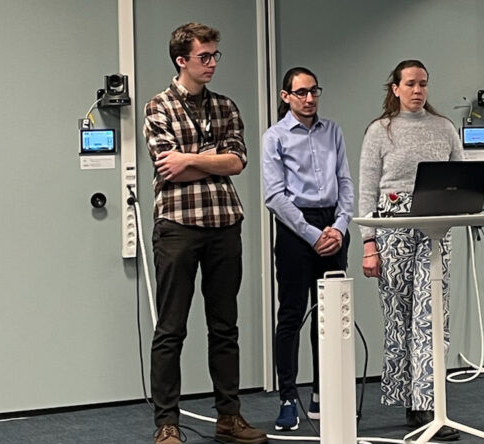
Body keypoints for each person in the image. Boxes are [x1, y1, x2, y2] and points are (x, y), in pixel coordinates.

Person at [143, 22, 267, 444]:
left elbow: (237, 161)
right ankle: (167, 424)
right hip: (177, 226)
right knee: (171, 329)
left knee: (224, 326)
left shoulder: (226, 106)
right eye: (204, 57)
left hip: (224, 224)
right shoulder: (157, 107)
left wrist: (191, 158)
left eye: (215, 56)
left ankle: (229, 419)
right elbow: (167, 167)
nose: (212, 63)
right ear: (182, 60)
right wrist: (210, 156)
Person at [359, 60, 464, 441]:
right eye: (410, 84)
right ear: (396, 89)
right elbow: (367, 189)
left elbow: (461, 176)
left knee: (431, 313)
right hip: (393, 226)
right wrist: (369, 243)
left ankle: (429, 403)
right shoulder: (380, 131)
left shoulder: (444, 128)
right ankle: (407, 397)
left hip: (435, 224)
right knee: (400, 313)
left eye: (423, 84)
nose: (418, 90)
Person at [262, 67, 353, 430]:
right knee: (292, 314)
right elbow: (274, 196)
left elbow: (345, 181)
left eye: (314, 91)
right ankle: (287, 396)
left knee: (329, 316)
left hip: (332, 224)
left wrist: (340, 228)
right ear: (286, 96)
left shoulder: (333, 131)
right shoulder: (275, 137)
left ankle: (322, 392)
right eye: (301, 92)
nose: (309, 98)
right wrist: (311, 234)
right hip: (294, 228)